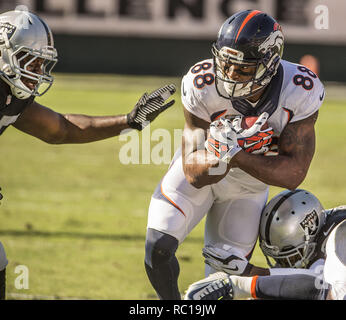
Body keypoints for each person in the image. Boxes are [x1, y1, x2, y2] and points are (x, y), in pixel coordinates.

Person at [144, 9, 325, 300]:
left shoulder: (299, 90)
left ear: (270, 63)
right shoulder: (201, 83)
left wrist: (238, 155)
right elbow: (191, 170)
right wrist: (223, 155)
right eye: (225, 64)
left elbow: (294, 173)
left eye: (242, 69)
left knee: (223, 282)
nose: (229, 76)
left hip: (247, 189)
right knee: (158, 247)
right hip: (207, 168)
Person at [0, 9, 176, 300]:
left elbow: (61, 129)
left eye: (40, 63)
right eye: (28, 60)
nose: (35, 72)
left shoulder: (9, 94)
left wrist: (129, 121)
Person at [184, 189, 346, 300]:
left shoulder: (339, 236)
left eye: (290, 255)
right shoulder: (328, 224)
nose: (282, 265)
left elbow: (321, 286)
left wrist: (241, 281)